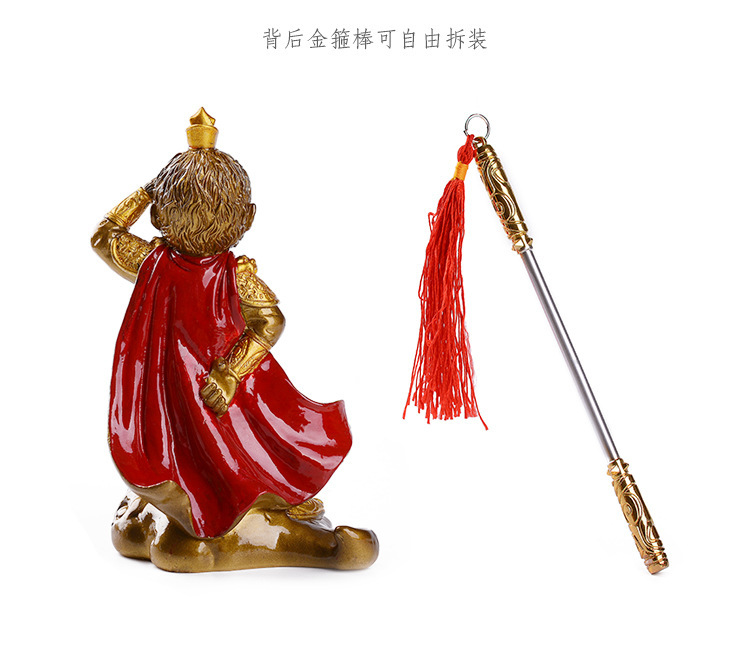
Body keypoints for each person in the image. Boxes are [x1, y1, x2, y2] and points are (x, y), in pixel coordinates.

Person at [92, 109, 377, 572]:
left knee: (238, 449)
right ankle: (213, 508)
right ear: (248, 217)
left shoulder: (159, 264)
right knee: (210, 450)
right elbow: (271, 321)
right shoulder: (223, 274)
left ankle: (268, 504)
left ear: (160, 213)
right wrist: (229, 374)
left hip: (206, 388)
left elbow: (105, 236)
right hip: (199, 389)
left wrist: (147, 190)